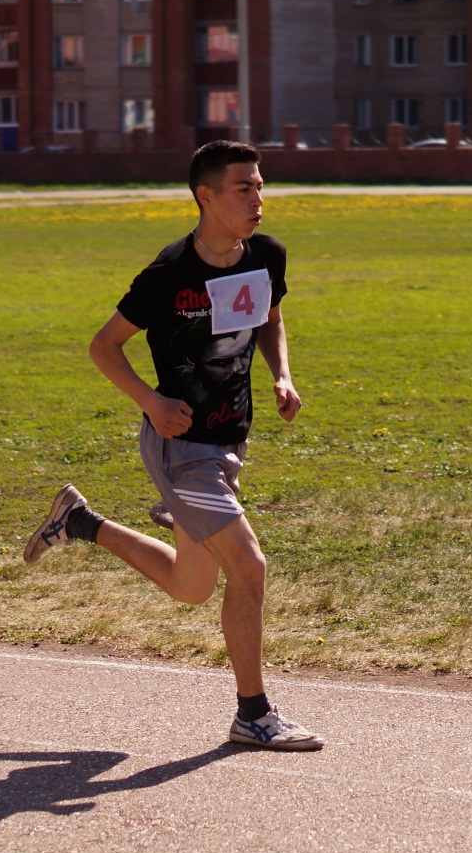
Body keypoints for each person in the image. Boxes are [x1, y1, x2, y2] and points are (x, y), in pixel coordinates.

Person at [23, 140, 324, 751]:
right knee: (249, 567)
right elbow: (103, 347)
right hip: (181, 446)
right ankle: (253, 713)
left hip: (228, 442)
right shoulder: (168, 276)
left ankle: (80, 523)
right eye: (244, 188)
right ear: (205, 195)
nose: (259, 199)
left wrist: (281, 375)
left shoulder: (266, 256)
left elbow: (269, 318)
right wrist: (151, 402)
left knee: (191, 587)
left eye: (261, 186)